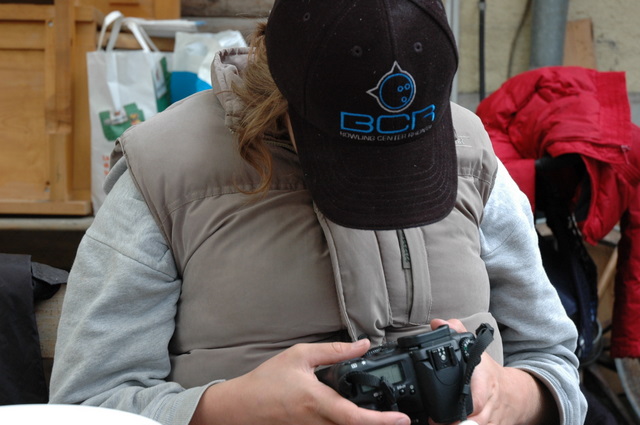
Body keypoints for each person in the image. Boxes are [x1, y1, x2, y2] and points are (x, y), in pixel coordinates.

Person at [49, 1, 587, 424]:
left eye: (409, 158)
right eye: (353, 156)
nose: (382, 189)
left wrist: (512, 396)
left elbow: (556, 360)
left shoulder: (472, 152)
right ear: (283, 87)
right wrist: (230, 408)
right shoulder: (164, 169)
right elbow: (83, 406)